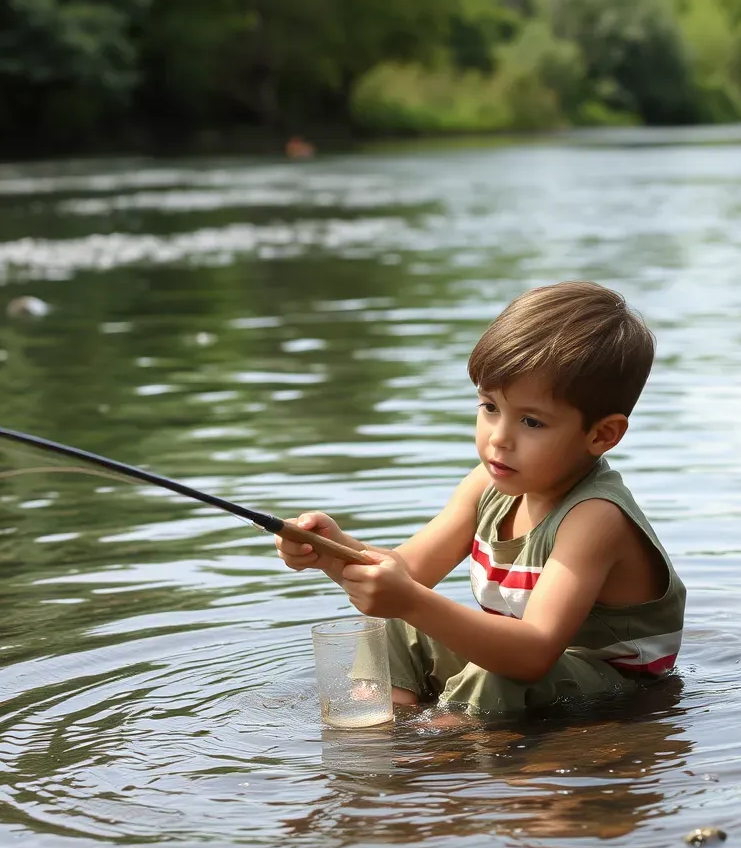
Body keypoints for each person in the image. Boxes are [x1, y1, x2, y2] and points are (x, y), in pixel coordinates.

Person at [277, 281, 686, 714]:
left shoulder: (594, 517)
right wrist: (331, 553)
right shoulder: (486, 486)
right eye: (490, 407)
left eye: (531, 422)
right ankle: (384, 725)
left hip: (612, 689)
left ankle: (443, 750)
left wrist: (410, 597)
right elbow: (406, 572)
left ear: (601, 434)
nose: (499, 439)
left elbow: (533, 653)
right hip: (524, 667)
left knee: (492, 671)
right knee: (396, 618)